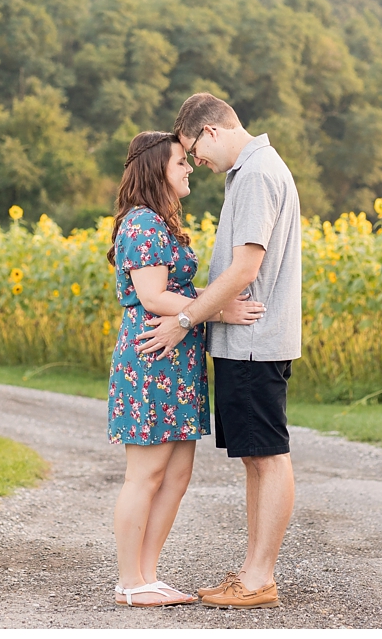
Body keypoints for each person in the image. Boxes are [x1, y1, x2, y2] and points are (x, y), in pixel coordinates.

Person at [138, 94, 301, 610]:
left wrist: (185, 320)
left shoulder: (255, 175)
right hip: (246, 345)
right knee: (256, 457)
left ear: (210, 132)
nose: (197, 164)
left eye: (193, 151)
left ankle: (259, 578)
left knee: (268, 456)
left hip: (255, 345)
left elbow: (244, 269)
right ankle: (254, 571)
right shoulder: (251, 172)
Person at [106, 130, 266, 607]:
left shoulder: (162, 223)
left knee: (176, 476)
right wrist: (220, 309)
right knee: (146, 475)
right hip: (152, 359)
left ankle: (149, 575)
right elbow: (153, 297)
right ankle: (130, 582)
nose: (189, 167)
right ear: (157, 170)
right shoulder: (142, 225)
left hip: (178, 359)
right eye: (181, 162)